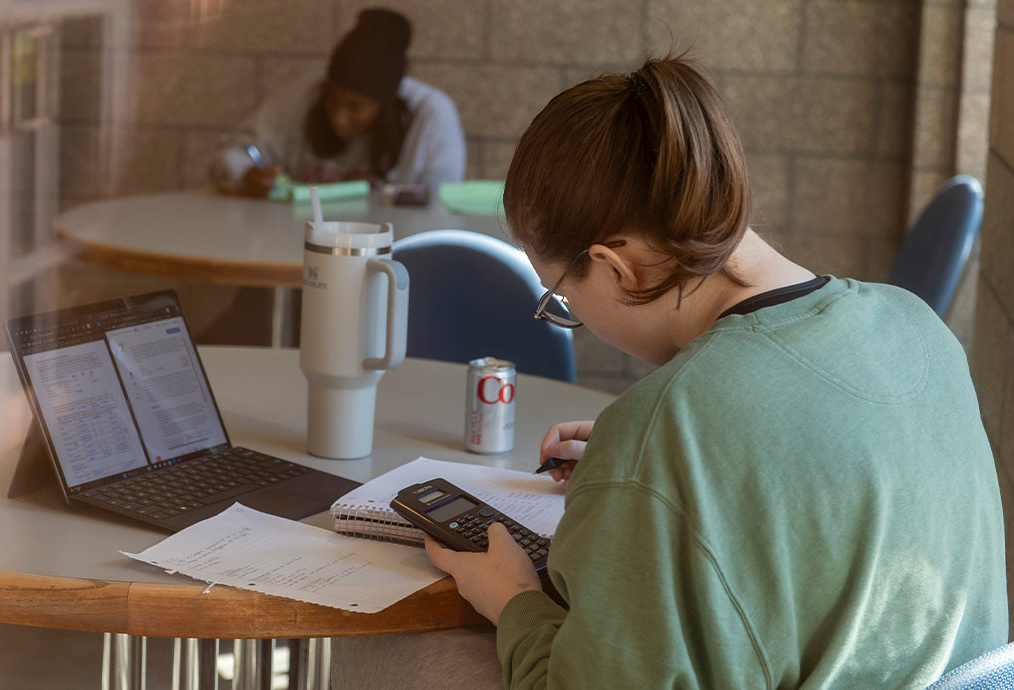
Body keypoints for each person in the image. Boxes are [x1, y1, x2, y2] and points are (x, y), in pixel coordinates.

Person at [332, 51, 1007, 690]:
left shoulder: (669, 428)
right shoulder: (917, 325)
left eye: (561, 297)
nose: (571, 312)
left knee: (404, 646)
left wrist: (512, 599)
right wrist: (654, 475)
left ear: (620, 266)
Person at [209, 8, 466, 197]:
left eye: (356, 107)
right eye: (333, 100)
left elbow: (439, 207)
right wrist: (244, 173)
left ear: (385, 104)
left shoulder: (430, 114)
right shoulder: (307, 93)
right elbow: (231, 153)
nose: (338, 118)